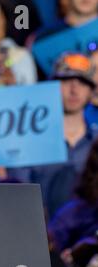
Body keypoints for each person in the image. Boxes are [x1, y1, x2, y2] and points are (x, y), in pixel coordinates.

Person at [8, 52, 98, 218]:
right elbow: (16, 196)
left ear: (91, 91)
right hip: (38, 233)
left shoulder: (96, 141)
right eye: (66, 81)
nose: (74, 89)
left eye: (83, 82)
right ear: (51, 86)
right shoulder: (28, 140)